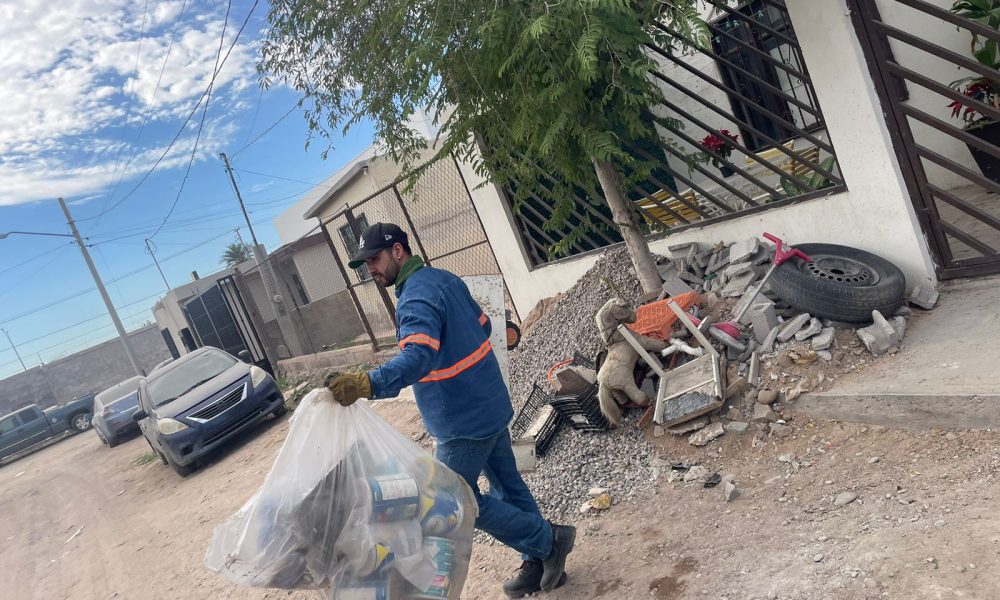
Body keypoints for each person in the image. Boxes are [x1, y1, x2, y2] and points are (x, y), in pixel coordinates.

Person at [325, 222, 575, 598]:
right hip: (489, 404)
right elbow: (484, 326)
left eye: (374, 260)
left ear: (397, 251)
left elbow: (418, 357)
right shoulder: (443, 280)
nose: (370, 269)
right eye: (366, 264)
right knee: (508, 486)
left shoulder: (414, 297)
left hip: (461, 422)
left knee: (456, 502)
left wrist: (368, 383)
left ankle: (547, 540)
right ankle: (540, 560)